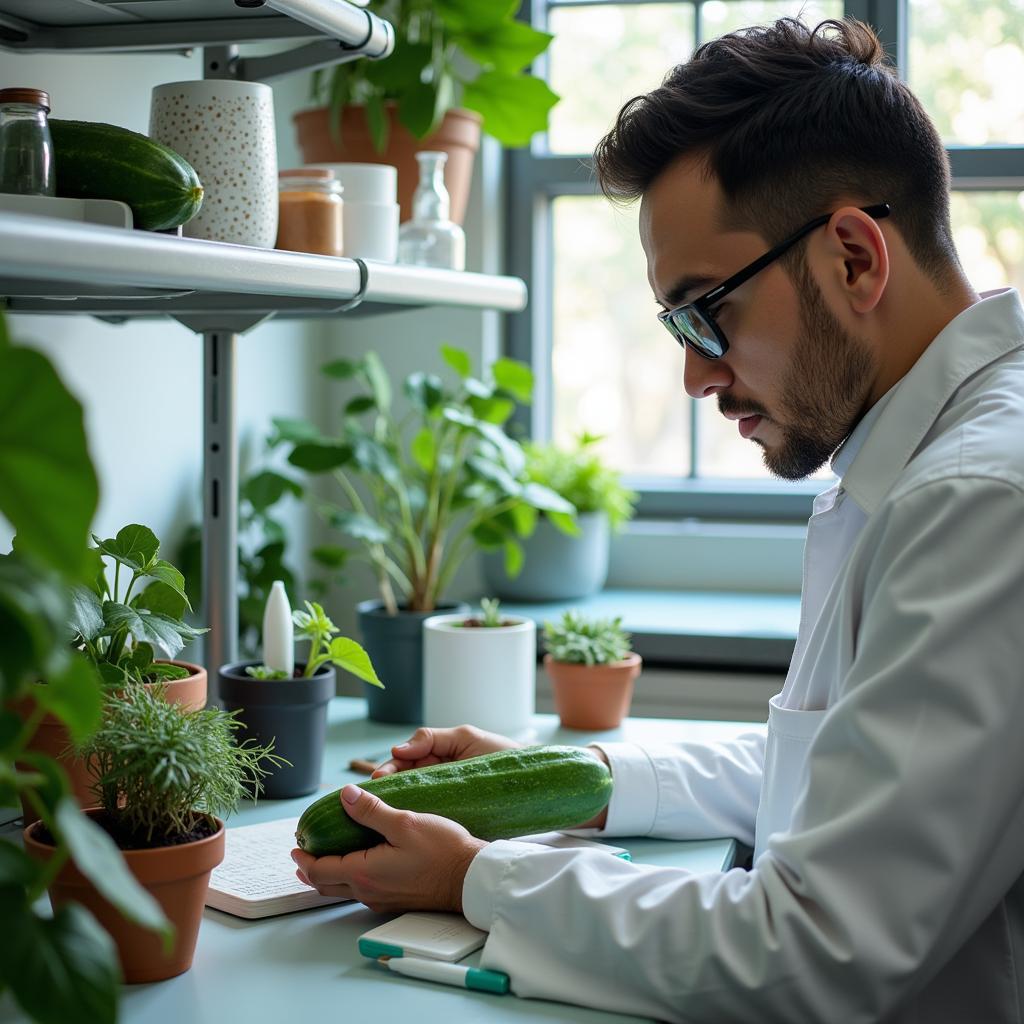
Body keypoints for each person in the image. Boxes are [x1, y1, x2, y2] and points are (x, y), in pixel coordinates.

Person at [291, 17, 1024, 1022]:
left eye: (704, 310)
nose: (692, 372)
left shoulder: (979, 500)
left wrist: (476, 878)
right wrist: (556, 777)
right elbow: (832, 772)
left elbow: (817, 950)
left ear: (855, 257)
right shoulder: (913, 462)